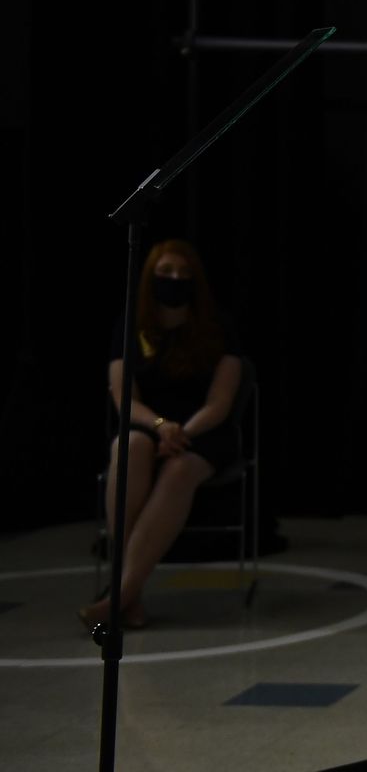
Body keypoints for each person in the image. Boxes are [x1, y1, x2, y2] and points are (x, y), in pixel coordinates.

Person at [82, 239, 245, 630]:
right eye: (166, 273)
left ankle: (118, 596)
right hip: (149, 426)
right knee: (131, 445)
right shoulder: (131, 325)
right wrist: (160, 427)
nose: (175, 280)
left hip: (203, 434)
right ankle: (131, 593)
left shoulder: (219, 326)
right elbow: (123, 396)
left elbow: (220, 402)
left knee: (179, 470)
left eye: (185, 275)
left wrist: (180, 433)